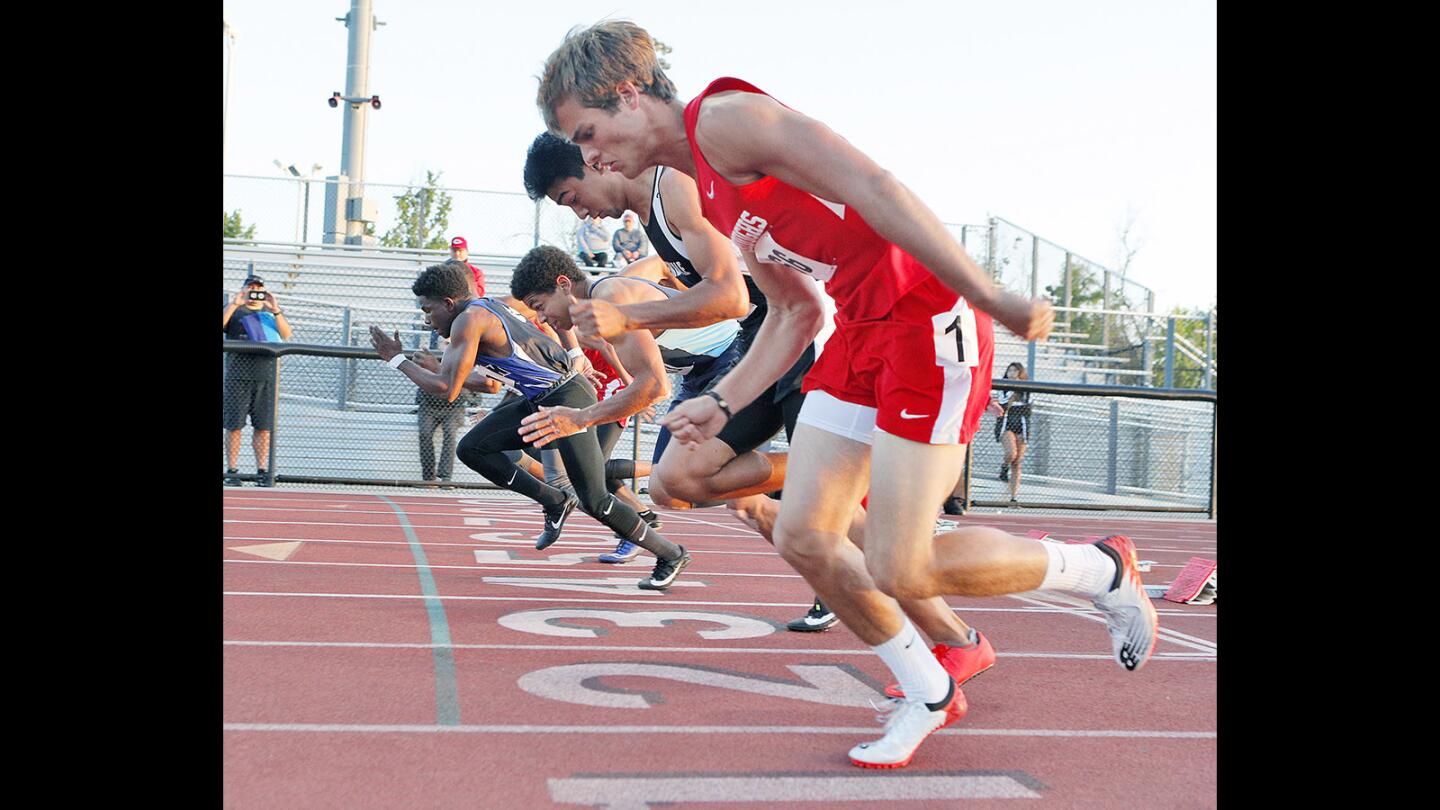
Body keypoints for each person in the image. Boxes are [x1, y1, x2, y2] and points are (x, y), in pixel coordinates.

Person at [539, 21, 1155, 769]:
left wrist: (984, 290)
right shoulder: (707, 188)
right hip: (860, 334)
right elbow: (795, 310)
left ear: (630, 97)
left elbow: (875, 185)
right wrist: (726, 401)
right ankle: (927, 689)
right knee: (805, 534)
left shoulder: (727, 120)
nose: (592, 155)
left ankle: (1103, 570)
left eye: (589, 132)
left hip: (928, 323)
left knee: (904, 566)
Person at [523, 131, 980, 643]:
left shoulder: (673, 185)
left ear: (596, 163)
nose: (582, 216)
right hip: (759, 338)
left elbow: (731, 297)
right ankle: (809, 496)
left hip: (795, 332)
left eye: (572, 198)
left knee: (857, 534)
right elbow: (698, 281)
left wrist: (626, 322)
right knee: (678, 483)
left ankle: (970, 627)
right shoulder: (647, 233)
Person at [369, 260, 691, 590]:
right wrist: (439, 369)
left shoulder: (469, 321)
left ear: (449, 303)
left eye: (428, 310)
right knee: (473, 448)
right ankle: (554, 501)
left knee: (594, 498)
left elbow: (446, 389)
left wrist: (397, 360)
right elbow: (489, 385)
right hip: (543, 397)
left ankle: (671, 553)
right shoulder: (478, 314)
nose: (426, 320)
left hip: (568, 398)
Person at [223, 275, 292, 486]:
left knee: (263, 427)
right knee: (234, 426)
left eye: (259, 289)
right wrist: (235, 303)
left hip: (266, 377)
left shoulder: (269, 315)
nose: (255, 293)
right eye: (251, 288)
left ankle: (262, 470)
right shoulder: (235, 311)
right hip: (238, 377)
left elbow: (286, 335)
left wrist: (275, 308)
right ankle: (232, 471)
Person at [993, 362, 1032, 504]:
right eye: (1010, 370)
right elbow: (1004, 405)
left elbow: (1028, 405)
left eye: (1015, 371)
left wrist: (1018, 393)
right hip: (1006, 423)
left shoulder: (1027, 388)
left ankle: (1013, 498)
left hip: (1022, 423)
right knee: (1011, 453)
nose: (1012, 373)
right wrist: (1012, 393)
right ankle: (1004, 468)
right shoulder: (1003, 386)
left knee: (1017, 462)